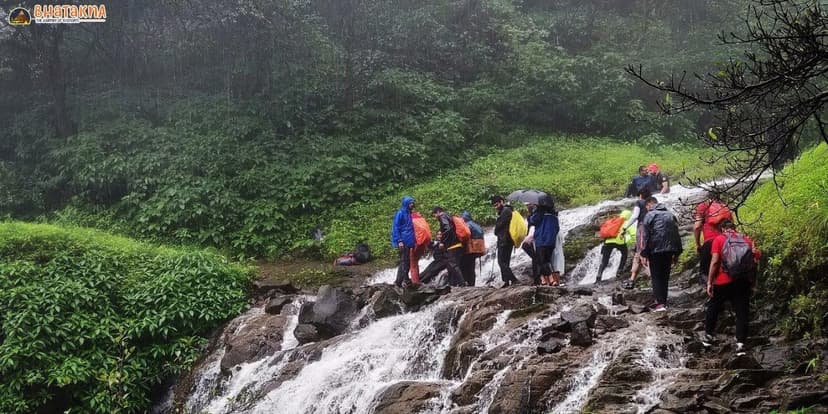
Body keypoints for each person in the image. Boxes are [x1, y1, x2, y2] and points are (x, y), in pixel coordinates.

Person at [703, 220, 760, 354]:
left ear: (722, 229)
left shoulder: (719, 239)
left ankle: (708, 337)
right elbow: (755, 260)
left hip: (723, 281)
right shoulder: (746, 239)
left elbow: (715, 262)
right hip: (742, 281)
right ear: (734, 228)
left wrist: (710, 282)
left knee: (714, 306)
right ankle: (740, 343)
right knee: (742, 311)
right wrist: (753, 282)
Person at [639, 196, 683, 311]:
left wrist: (643, 253)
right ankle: (663, 302)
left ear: (649, 204)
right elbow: (676, 235)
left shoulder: (649, 215)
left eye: (647, 207)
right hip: (670, 250)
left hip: (655, 250)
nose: (647, 209)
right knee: (665, 276)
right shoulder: (670, 215)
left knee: (656, 276)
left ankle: (660, 303)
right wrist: (677, 252)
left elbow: (645, 236)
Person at [694, 194, 733, 286]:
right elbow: (732, 225)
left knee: (705, 272)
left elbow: (697, 227)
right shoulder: (725, 206)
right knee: (725, 269)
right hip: (725, 241)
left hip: (710, 243)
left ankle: (709, 289)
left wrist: (698, 244)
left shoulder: (703, 206)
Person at [621, 189, 652, 289]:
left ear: (641, 195)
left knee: (640, 253)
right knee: (648, 253)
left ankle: (649, 278)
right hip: (653, 229)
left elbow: (634, 216)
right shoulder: (653, 202)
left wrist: (625, 228)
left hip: (643, 229)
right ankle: (632, 279)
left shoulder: (639, 202)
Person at [431, 206, 466, 287]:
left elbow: (447, 229)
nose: (435, 217)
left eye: (434, 215)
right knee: (452, 265)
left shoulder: (442, 217)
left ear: (438, 212)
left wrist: (442, 242)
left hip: (452, 245)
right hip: (457, 244)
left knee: (453, 265)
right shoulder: (448, 216)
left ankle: (462, 283)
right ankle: (453, 284)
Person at [491, 196, 520, 287]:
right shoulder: (507, 210)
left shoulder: (505, 211)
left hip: (505, 240)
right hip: (507, 240)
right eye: (494, 206)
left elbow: (499, 226)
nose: (496, 207)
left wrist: (496, 230)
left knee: (501, 262)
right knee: (505, 262)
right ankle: (506, 281)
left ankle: (514, 279)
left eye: (497, 205)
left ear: (502, 202)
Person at [596, 209, 632, 283]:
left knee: (604, 261)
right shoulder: (627, 222)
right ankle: (619, 271)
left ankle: (598, 276)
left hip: (608, 242)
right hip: (619, 242)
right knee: (624, 255)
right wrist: (629, 242)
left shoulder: (613, 221)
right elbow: (633, 234)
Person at [531, 204, 561, 286]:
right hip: (551, 242)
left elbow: (532, 221)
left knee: (541, 261)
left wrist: (533, 213)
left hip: (541, 241)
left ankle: (551, 279)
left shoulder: (539, 214)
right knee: (546, 261)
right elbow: (557, 229)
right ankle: (548, 281)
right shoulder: (554, 216)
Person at [391, 196, 416, 287]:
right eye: (410, 203)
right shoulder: (400, 213)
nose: (412, 204)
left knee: (407, 262)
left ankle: (404, 279)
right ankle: (399, 281)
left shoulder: (410, 214)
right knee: (404, 262)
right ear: (406, 204)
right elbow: (395, 227)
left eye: (412, 203)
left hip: (409, 241)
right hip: (403, 242)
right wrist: (399, 241)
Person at [460, 211, 484, 287]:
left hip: (469, 249)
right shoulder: (476, 225)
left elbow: (464, 236)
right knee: (471, 267)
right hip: (477, 249)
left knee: (465, 266)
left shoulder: (466, 225)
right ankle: (472, 283)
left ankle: (466, 282)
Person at [410, 211, 432, 285]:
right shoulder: (421, 219)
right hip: (424, 242)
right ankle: (417, 280)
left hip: (416, 242)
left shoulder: (410, 219)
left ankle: (415, 282)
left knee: (413, 263)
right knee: (415, 262)